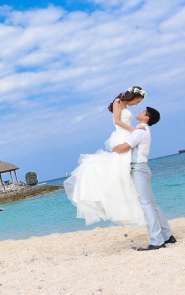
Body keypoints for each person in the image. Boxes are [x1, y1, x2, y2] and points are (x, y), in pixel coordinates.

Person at [63, 87, 148, 228]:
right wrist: (135, 130)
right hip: (121, 134)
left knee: (124, 167)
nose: (137, 104)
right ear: (132, 96)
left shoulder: (125, 105)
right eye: (137, 101)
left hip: (127, 134)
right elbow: (117, 122)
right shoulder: (118, 101)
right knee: (121, 168)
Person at [112, 106, 175, 251]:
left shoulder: (140, 131)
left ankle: (157, 240)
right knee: (152, 204)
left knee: (146, 205)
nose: (139, 112)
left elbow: (124, 148)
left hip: (138, 169)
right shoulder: (143, 130)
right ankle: (167, 235)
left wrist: (114, 149)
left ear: (146, 117)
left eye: (142, 112)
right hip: (143, 168)